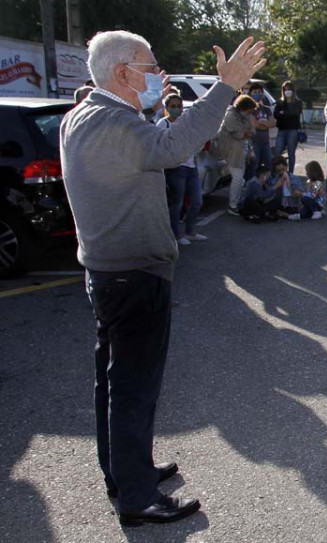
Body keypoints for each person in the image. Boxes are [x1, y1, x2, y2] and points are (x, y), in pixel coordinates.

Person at [60, 30, 264, 526]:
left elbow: (148, 145)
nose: (160, 75)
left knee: (115, 383)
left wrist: (159, 104)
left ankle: (127, 472)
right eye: (151, 68)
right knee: (134, 389)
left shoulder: (83, 115)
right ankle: (137, 498)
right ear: (123, 74)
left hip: (110, 275)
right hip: (133, 278)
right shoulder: (115, 124)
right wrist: (224, 87)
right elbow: (174, 145)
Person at [157, 93, 206, 246]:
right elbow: (160, 146)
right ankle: (175, 235)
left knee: (197, 201)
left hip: (191, 166)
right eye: (173, 106)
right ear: (167, 108)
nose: (177, 109)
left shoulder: (186, 123)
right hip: (175, 168)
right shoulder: (162, 124)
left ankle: (190, 231)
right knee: (176, 204)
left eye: (179, 106)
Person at [218, 94, 257, 214]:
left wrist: (249, 144)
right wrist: (245, 133)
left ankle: (236, 201)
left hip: (241, 151)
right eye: (249, 111)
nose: (250, 114)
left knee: (239, 178)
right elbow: (236, 133)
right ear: (243, 108)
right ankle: (233, 205)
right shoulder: (230, 115)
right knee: (238, 179)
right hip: (231, 152)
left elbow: (252, 131)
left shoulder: (244, 117)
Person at [244, 81, 275, 180]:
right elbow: (254, 125)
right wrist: (265, 124)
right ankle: (251, 186)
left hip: (265, 143)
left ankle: (268, 184)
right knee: (254, 166)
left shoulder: (266, 109)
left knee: (269, 164)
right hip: (254, 142)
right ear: (250, 94)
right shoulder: (249, 109)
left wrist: (262, 124)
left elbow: (273, 123)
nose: (257, 93)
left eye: (259, 91)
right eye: (254, 92)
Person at [273, 80, 304, 174]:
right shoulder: (279, 102)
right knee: (277, 152)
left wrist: (283, 113)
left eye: (289, 89)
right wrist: (285, 114)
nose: (287, 91)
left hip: (293, 130)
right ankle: (277, 172)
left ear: (293, 90)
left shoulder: (298, 102)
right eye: (285, 89)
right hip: (281, 130)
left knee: (291, 153)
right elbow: (276, 114)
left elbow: (296, 113)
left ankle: (290, 173)